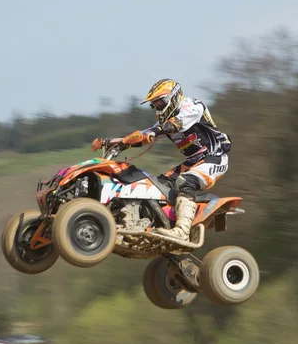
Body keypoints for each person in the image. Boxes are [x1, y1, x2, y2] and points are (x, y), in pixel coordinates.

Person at [91, 79, 232, 242]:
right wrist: (112, 142)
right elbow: (142, 136)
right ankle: (157, 224)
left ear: (173, 97)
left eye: (160, 102)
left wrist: (155, 131)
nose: (158, 107)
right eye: (155, 105)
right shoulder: (162, 123)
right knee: (158, 186)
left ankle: (182, 231)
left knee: (184, 182)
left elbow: (176, 124)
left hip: (214, 158)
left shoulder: (192, 106)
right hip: (193, 161)